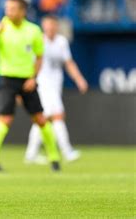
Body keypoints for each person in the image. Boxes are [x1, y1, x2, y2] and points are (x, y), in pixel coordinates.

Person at [0, 0, 61, 172]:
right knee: (4, 119)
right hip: (8, 79)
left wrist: (33, 78)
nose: (8, 12)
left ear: (23, 11)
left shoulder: (33, 31)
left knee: (40, 118)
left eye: (12, 9)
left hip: (27, 81)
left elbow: (39, 57)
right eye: (7, 8)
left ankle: (54, 158)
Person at [25, 15, 87, 163]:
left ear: (56, 26)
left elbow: (69, 63)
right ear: (43, 27)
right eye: (47, 26)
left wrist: (79, 79)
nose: (50, 29)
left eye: (52, 26)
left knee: (42, 118)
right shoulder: (38, 40)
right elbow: (29, 62)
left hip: (55, 85)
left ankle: (31, 154)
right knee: (58, 115)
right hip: (42, 84)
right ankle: (67, 151)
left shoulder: (61, 42)